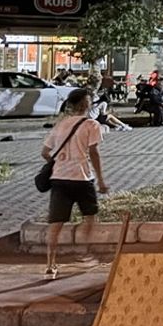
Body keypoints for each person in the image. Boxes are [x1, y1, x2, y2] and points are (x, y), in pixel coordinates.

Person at [41, 89, 108, 279]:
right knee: (89, 216)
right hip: (82, 178)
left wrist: (58, 162)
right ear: (86, 105)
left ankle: (50, 265)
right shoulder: (91, 125)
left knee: (55, 224)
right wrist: (101, 180)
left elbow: (45, 152)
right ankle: (84, 251)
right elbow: (94, 153)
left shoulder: (61, 125)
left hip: (59, 179)